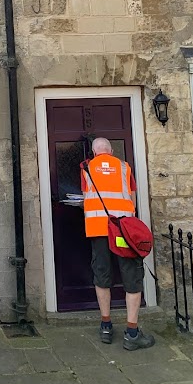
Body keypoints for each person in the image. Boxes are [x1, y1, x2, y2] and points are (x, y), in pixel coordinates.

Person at [80, 137, 155, 350]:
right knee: (131, 274)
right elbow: (131, 198)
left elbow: (86, 196)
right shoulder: (124, 167)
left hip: (98, 230)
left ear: (95, 152)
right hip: (122, 231)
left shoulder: (86, 168)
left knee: (102, 274)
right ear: (111, 151)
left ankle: (105, 325)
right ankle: (131, 332)